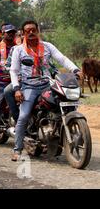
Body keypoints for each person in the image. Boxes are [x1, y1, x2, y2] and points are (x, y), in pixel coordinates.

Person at [9, 20, 82, 161]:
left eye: (33, 30)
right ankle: (17, 149)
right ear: (23, 34)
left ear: (38, 31)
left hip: (48, 84)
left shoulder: (47, 46)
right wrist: (17, 88)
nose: (31, 33)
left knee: (64, 104)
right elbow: (13, 71)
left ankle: (59, 135)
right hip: (29, 86)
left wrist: (75, 69)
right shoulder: (19, 50)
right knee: (23, 116)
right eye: (27, 31)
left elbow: (62, 59)